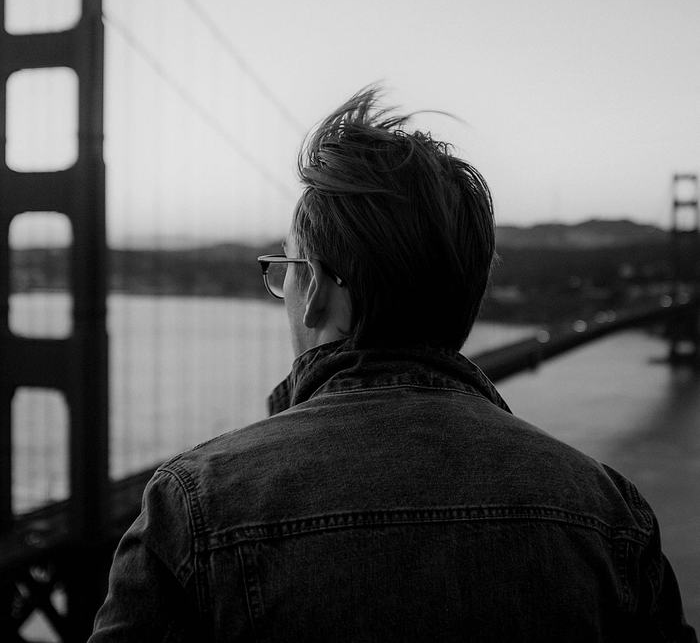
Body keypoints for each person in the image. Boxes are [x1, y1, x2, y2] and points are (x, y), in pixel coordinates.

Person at [90, 88, 696, 642]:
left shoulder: (192, 509)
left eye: (288, 272)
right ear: (469, 296)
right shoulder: (612, 514)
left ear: (320, 289)